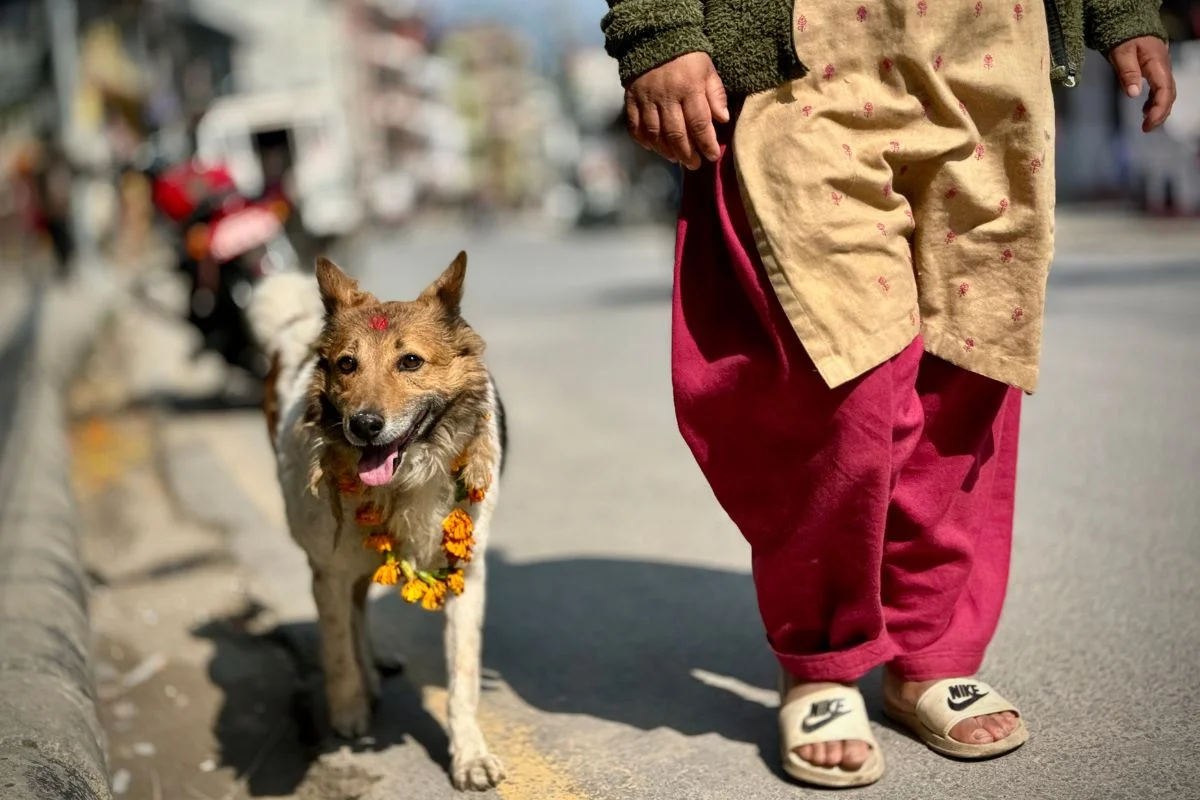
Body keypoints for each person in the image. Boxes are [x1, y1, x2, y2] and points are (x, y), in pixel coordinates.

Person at [602, 0, 1176, 789]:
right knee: (839, 371)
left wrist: (1122, 9)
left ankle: (928, 651)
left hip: (991, 38)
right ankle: (823, 658)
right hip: (802, 50)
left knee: (968, 356)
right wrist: (657, 30)